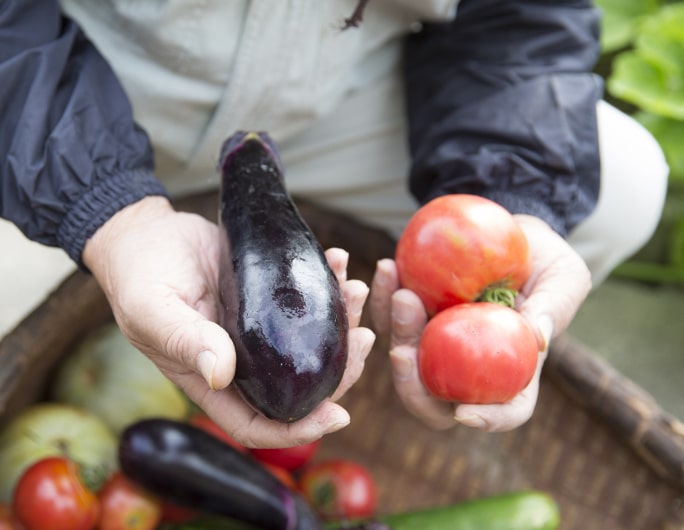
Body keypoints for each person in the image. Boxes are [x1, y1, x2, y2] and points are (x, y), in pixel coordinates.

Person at [0, 0, 668, 446]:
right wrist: (110, 215)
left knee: (624, 182)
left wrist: (505, 201)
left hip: (332, 97)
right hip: (67, 95)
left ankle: (414, 413)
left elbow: (518, 20)